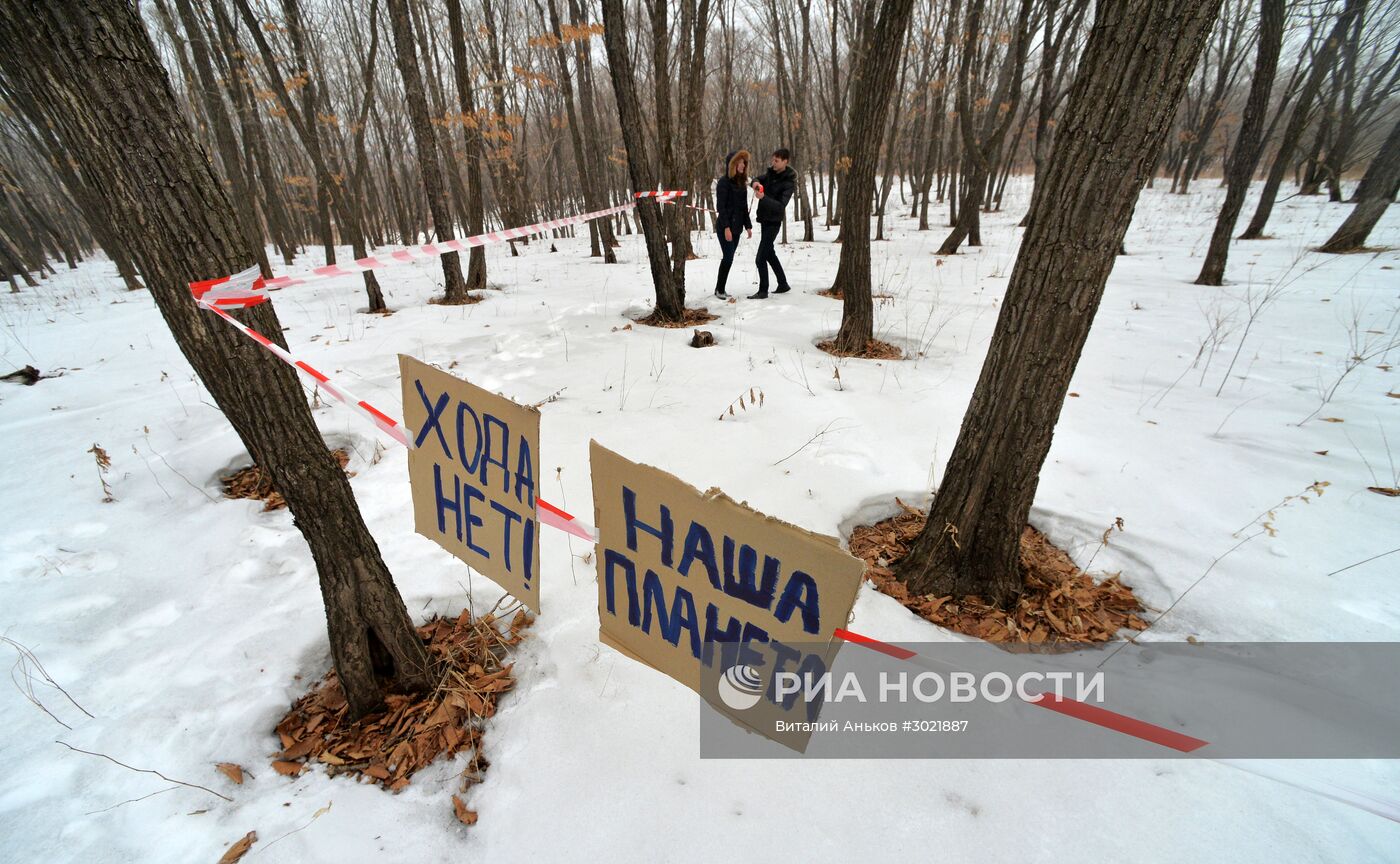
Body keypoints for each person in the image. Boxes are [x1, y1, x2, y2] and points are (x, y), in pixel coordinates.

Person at [749, 148, 797, 299]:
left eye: (777, 161)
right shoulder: (770, 174)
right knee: (769, 253)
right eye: (773, 160)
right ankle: (783, 283)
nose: (773, 163)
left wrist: (763, 198)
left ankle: (763, 291)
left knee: (760, 258)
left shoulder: (788, 182)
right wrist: (756, 184)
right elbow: (756, 179)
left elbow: (781, 206)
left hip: (774, 222)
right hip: (764, 219)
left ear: (785, 161)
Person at [713, 149, 753, 299]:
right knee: (728, 258)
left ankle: (719, 288)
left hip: (737, 228)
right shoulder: (723, 183)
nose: (743, 165)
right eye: (740, 162)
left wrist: (748, 226)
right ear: (733, 164)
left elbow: (743, 208)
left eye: (744, 162)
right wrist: (726, 228)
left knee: (729, 258)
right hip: (725, 228)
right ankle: (720, 290)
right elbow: (721, 208)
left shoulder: (742, 184)